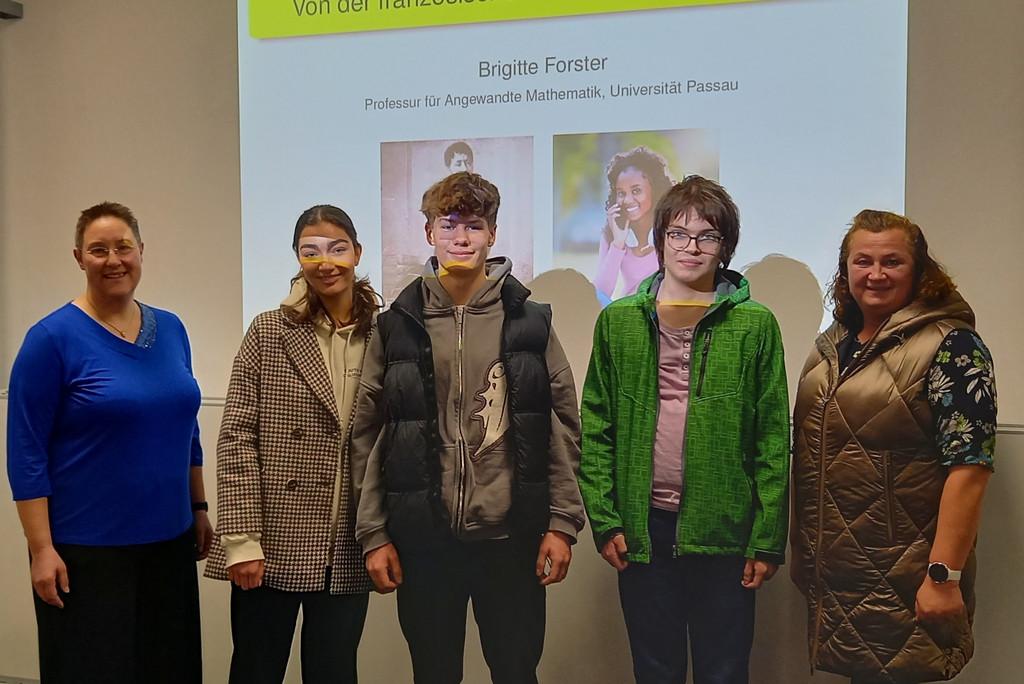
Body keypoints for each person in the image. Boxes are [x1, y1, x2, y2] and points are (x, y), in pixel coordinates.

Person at [351, 172, 585, 684]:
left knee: (516, 669)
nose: (461, 237)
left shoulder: (530, 321)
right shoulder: (397, 325)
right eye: (449, 224)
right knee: (434, 673)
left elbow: (564, 425)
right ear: (429, 232)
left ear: (492, 234)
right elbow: (368, 434)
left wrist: (562, 523)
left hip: (512, 537)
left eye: (474, 226)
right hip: (425, 540)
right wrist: (373, 533)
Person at [579, 176, 790, 684]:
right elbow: (596, 427)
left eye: (707, 236)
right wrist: (606, 521)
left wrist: (766, 540)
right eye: (678, 233)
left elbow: (772, 440)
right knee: (655, 669)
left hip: (726, 532)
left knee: (723, 670)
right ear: (659, 240)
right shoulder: (619, 321)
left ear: (726, 247)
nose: (691, 247)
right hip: (642, 529)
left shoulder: (756, 324)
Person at [6, 201, 210, 683]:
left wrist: (198, 507)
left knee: (169, 669)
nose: (113, 259)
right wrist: (41, 549)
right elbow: (26, 452)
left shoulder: (172, 328)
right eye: (99, 250)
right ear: (79, 257)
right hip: (86, 552)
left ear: (142, 251)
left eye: (123, 247)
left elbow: (188, 428)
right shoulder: (50, 339)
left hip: (170, 542)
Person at [790, 210, 997, 684]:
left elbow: (970, 468)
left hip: (909, 575)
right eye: (862, 261)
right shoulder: (835, 344)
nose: (876, 274)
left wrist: (943, 577)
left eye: (892, 262)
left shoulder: (953, 345)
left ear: (920, 271)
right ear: (845, 272)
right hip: (842, 575)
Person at [204, 205, 381, 683]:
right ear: (298, 259)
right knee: (257, 669)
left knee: (334, 671)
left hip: (346, 538)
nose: (326, 261)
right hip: (271, 540)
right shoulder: (270, 329)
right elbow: (236, 437)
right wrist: (241, 541)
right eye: (311, 251)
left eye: (337, 248)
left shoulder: (383, 334)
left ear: (357, 252)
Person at [594, 145, 674, 302]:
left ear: (654, 189)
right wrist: (618, 244)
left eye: (636, 191)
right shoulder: (611, 233)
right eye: (621, 193)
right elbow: (600, 293)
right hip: (630, 314)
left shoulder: (671, 229)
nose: (627, 200)